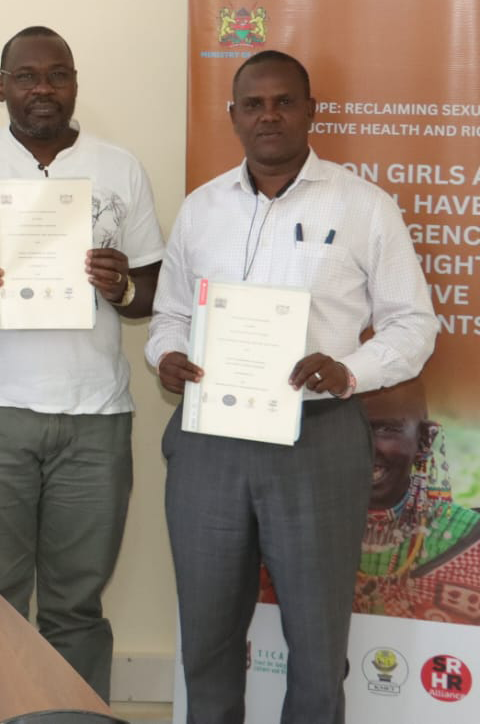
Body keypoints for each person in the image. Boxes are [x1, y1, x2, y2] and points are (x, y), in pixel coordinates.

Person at [147, 50, 437, 723]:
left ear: (311, 112)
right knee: (208, 639)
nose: (268, 116)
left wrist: (350, 371)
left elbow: (414, 324)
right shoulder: (201, 208)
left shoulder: (363, 206)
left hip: (317, 439)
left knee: (317, 645)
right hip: (210, 440)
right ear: (234, 116)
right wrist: (166, 353)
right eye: (253, 104)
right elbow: (169, 315)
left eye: (284, 102)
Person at [0, 26, 162, 699]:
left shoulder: (119, 167)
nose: (42, 88)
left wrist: (119, 286)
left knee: (76, 605)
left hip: (96, 416)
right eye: (26, 76)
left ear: (75, 84)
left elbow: (151, 293)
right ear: (1, 87)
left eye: (58, 74)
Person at [354, 379, 480, 625]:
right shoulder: (296, 529)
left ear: (424, 439)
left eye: (385, 429)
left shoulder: (468, 538)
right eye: (349, 429)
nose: (364, 446)